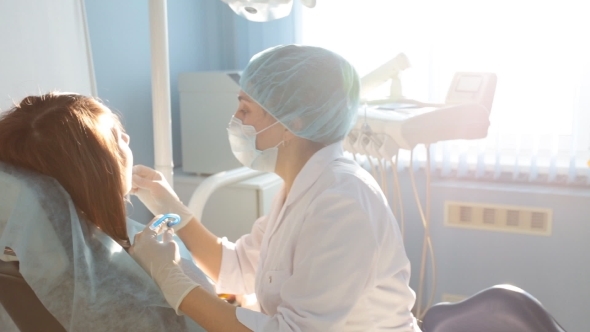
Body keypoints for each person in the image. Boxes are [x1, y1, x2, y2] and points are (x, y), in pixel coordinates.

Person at [130, 44, 421, 331]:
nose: (235, 120)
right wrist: (171, 207)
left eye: (245, 109)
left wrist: (172, 280)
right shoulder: (301, 188)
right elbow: (238, 266)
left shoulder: (342, 202)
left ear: (291, 123)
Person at [0, 92, 208, 331]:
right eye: (117, 138)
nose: (127, 138)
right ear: (95, 171)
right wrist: (180, 275)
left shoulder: (21, 263)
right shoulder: (138, 298)